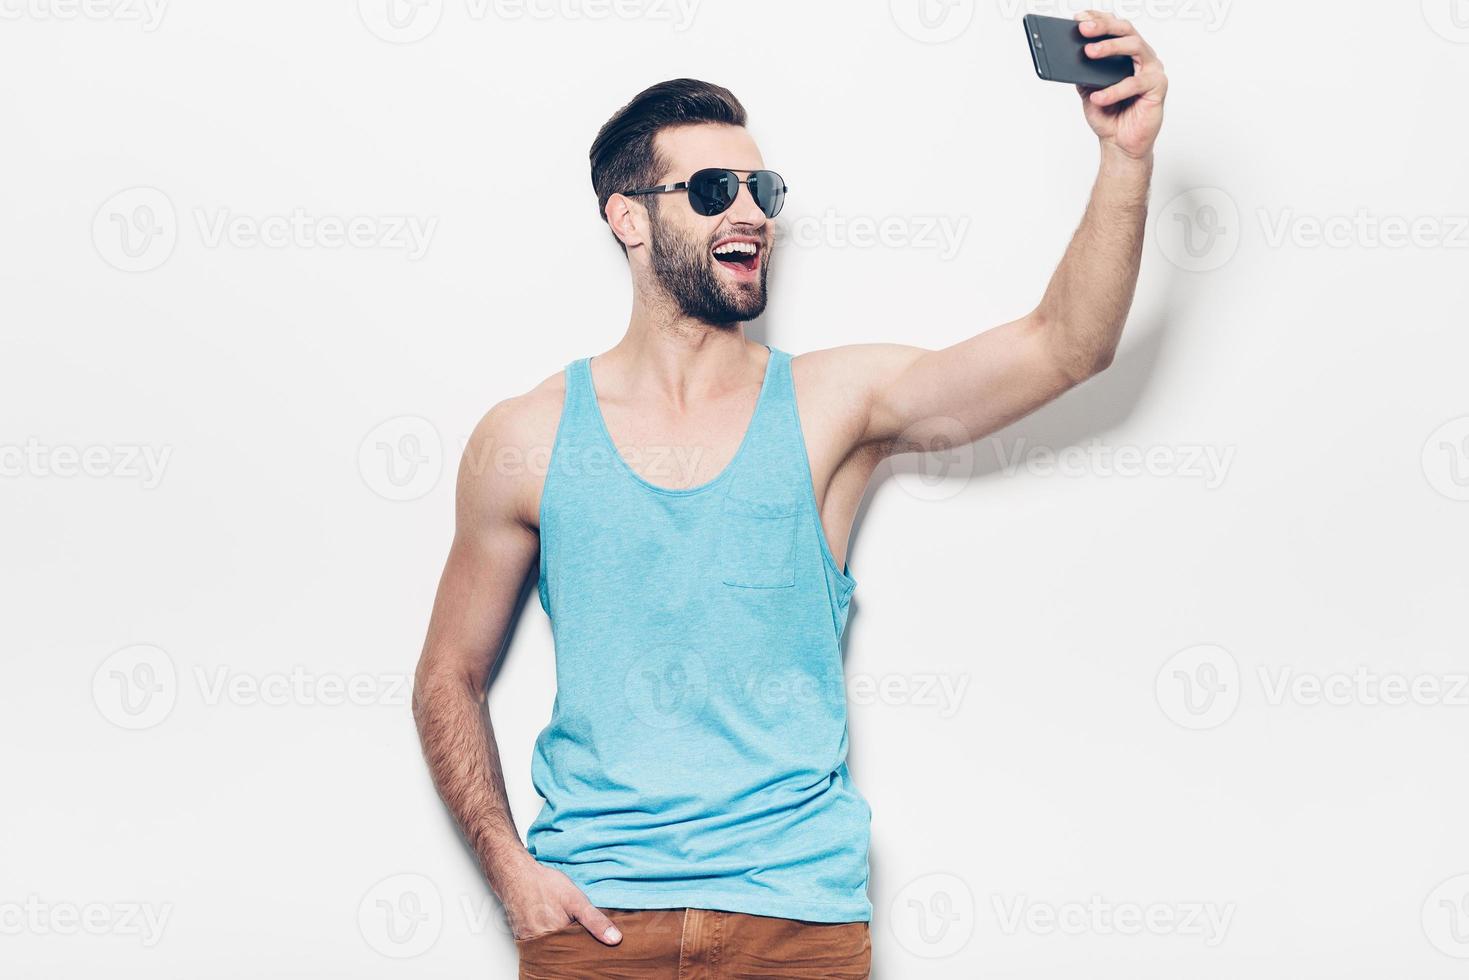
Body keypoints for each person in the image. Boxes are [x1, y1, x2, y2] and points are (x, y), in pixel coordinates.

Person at [412, 12, 1167, 977]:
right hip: (596, 922)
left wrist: (1126, 160)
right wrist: (508, 869)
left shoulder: (829, 404)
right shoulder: (524, 438)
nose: (754, 213)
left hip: (794, 923)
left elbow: (1066, 346)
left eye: (763, 189)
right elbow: (447, 676)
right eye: (715, 189)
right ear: (628, 218)